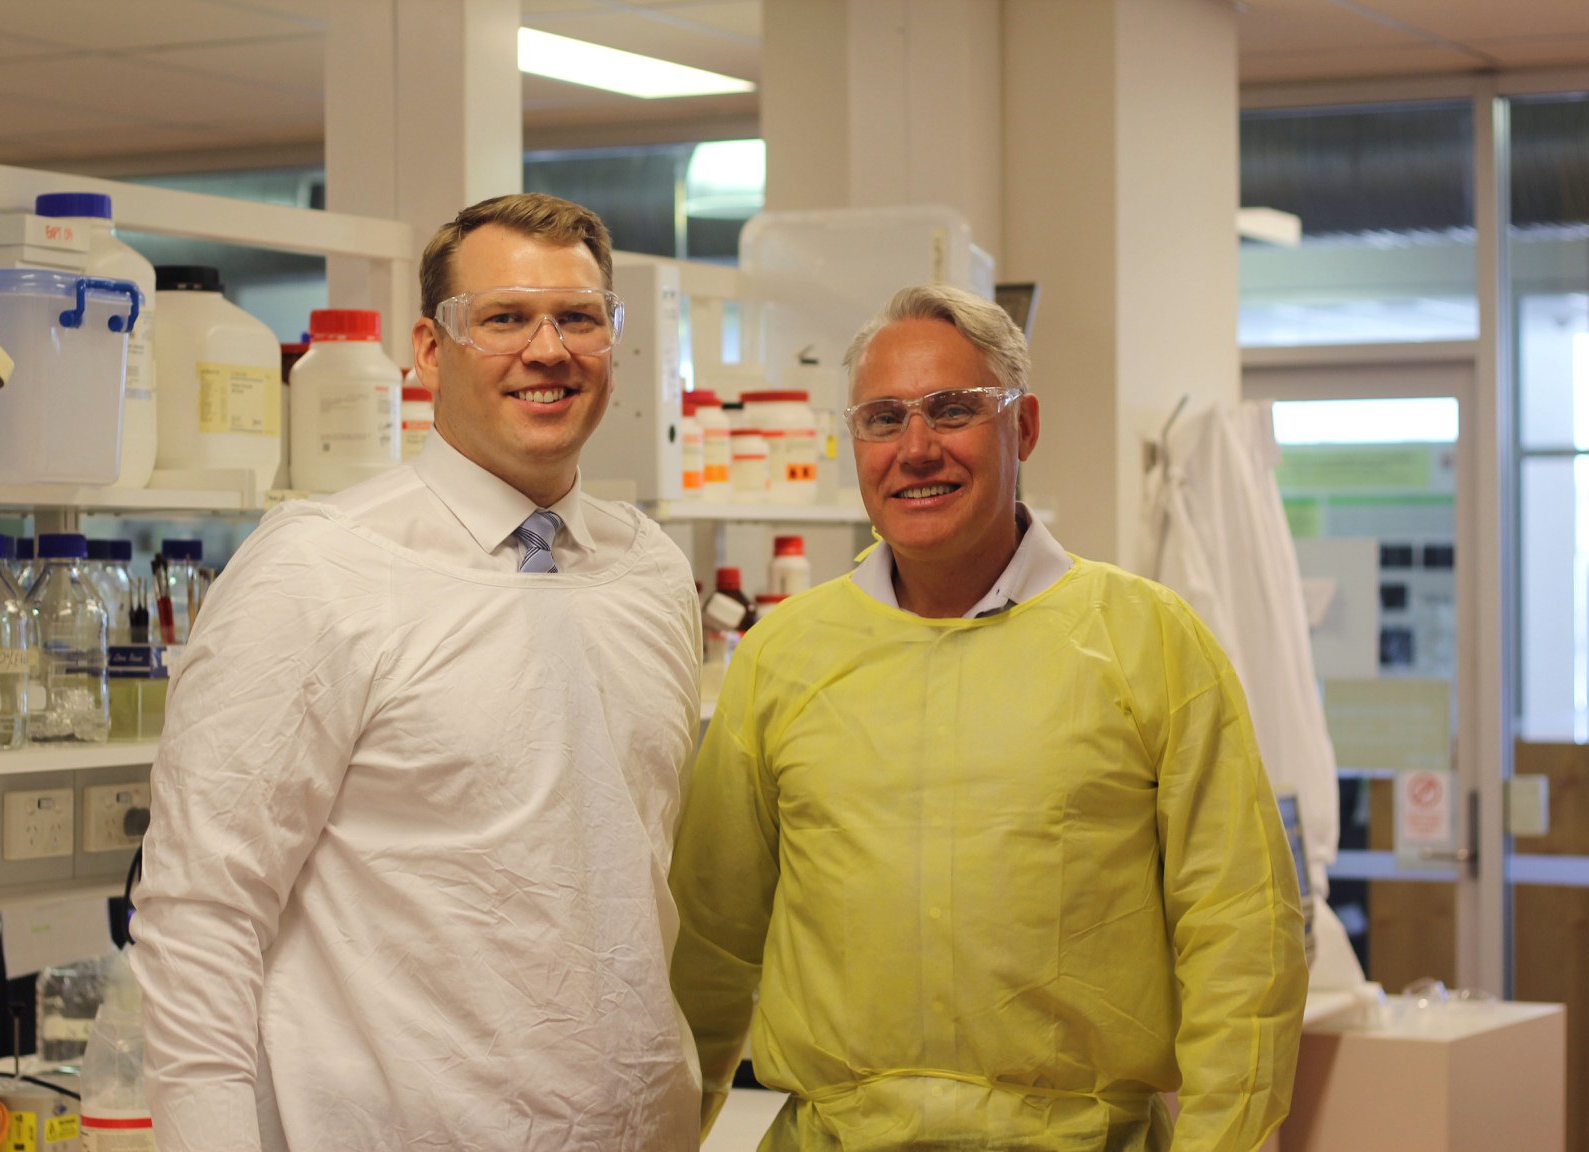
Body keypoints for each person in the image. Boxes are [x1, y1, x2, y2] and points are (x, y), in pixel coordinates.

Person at [669, 283, 1307, 1150]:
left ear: (1025, 427)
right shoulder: (784, 656)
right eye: (884, 420)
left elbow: (1243, 935)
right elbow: (709, 946)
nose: (916, 449)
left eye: (953, 410)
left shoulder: (1148, 641)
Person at [132, 193, 704, 1152]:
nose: (549, 350)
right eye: (505, 318)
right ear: (431, 351)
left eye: (578, 318)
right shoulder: (318, 568)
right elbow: (201, 913)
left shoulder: (647, 573)